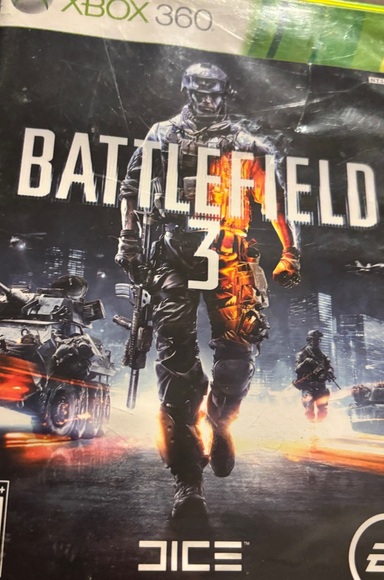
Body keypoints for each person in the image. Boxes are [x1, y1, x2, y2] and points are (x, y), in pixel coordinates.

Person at [115, 63, 300, 519]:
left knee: (237, 357)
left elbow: (276, 202)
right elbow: (131, 189)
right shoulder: (162, 134)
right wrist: (127, 238)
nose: (206, 99)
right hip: (173, 254)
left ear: (225, 93)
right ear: (187, 90)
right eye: (199, 91)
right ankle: (188, 480)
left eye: (213, 92)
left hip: (230, 255)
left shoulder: (246, 144)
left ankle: (220, 421)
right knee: (175, 365)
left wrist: (291, 250)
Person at [294, 330, 334, 422]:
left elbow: (329, 366)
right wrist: (306, 362)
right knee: (309, 409)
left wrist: (329, 372)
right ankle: (311, 427)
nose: (316, 342)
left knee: (323, 410)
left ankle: (320, 426)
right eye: (314, 340)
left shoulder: (323, 355)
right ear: (309, 340)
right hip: (308, 386)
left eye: (318, 340)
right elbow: (297, 369)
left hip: (320, 386)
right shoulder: (302, 354)